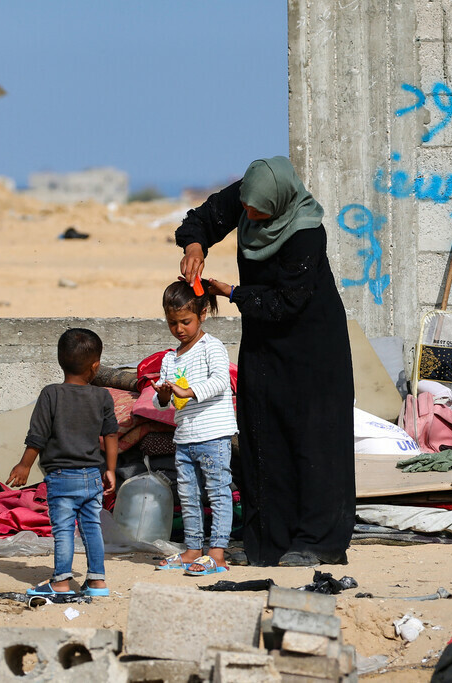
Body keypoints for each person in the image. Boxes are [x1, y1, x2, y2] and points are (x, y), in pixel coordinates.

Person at [176, 155, 355, 566]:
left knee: (312, 439)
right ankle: (268, 541)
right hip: (263, 340)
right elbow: (200, 220)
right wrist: (195, 248)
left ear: (281, 201)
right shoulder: (246, 197)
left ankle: (316, 540)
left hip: (312, 344)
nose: (250, 215)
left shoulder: (306, 234)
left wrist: (232, 293)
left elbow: (287, 302)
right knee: (263, 432)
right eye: (248, 208)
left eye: (260, 211)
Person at [6, 328, 119, 596]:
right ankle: (97, 581)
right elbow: (111, 433)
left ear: (60, 360)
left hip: (60, 477)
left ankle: (60, 582)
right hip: (92, 474)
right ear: (95, 366)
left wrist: (24, 465)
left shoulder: (50, 394)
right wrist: (111, 470)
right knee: (92, 526)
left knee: (64, 529)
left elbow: (38, 436)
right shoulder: (102, 396)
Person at [152, 280, 238, 576]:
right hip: (185, 437)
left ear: (202, 314)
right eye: (172, 323)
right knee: (188, 496)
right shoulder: (169, 358)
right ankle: (192, 549)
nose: (179, 329)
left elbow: (220, 381)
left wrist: (187, 392)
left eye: (185, 322)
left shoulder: (210, 347)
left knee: (217, 493)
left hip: (213, 436)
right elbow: (161, 400)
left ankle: (217, 553)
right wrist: (163, 394)